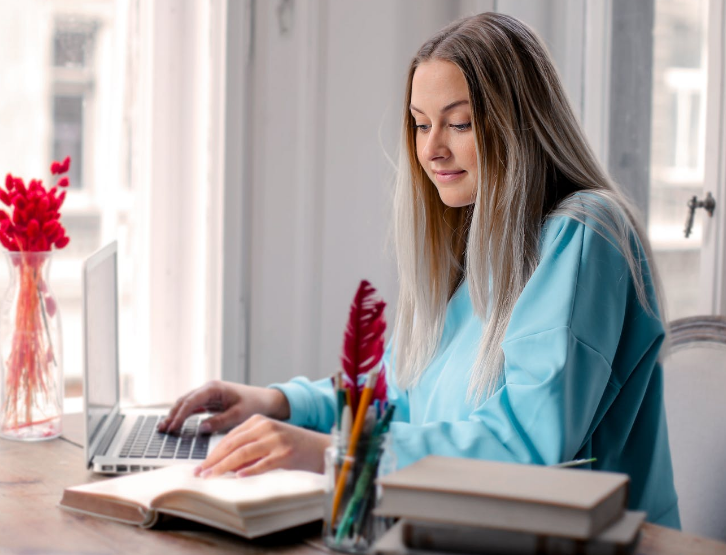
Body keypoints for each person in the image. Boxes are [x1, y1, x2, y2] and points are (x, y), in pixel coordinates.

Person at [157, 12, 681, 528]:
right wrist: (277, 403)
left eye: (458, 123)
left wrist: (336, 451)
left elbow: (526, 447)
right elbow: (403, 394)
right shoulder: (484, 250)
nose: (431, 149)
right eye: (421, 124)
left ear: (520, 124)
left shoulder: (584, 233)